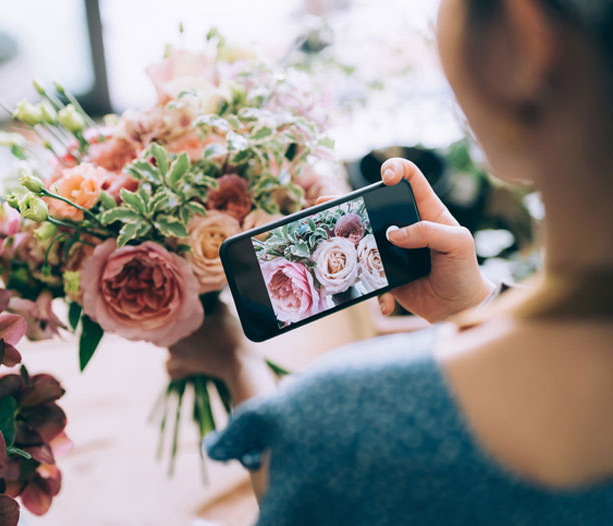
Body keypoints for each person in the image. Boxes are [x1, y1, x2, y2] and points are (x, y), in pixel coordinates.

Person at [167, 0, 613, 523]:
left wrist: (235, 365)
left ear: (520, 40)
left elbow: (312, 490)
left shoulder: (341, 417)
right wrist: (473, 306)